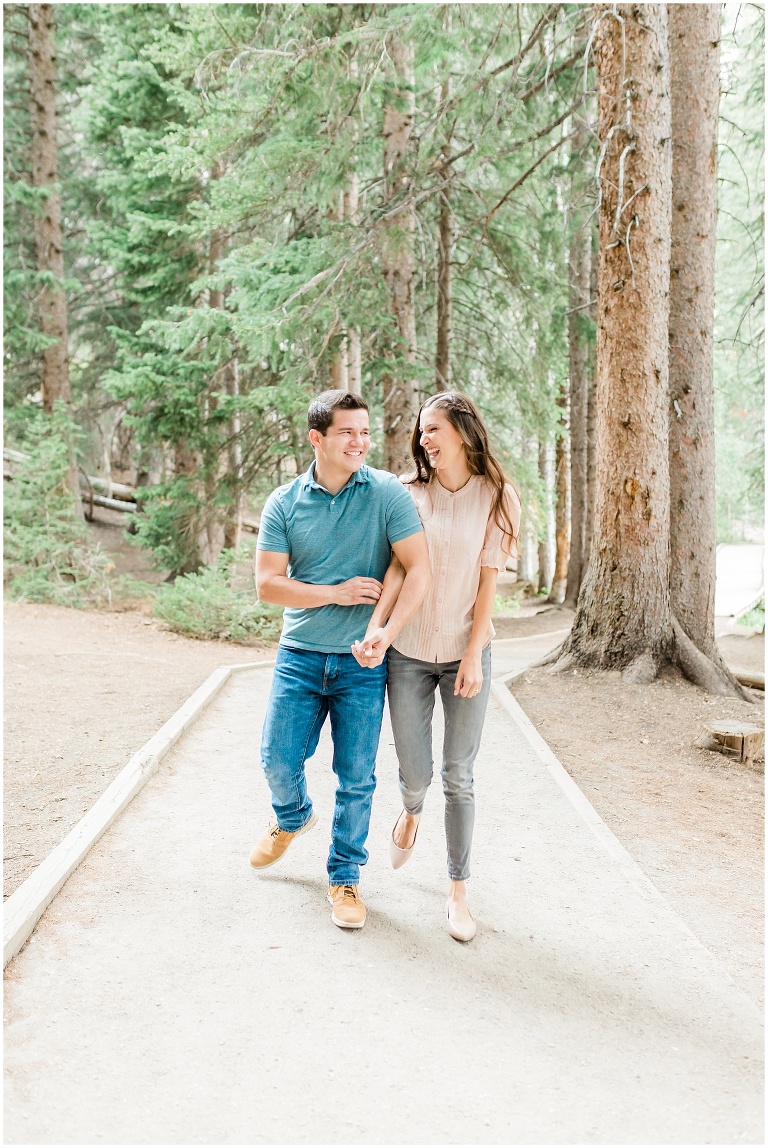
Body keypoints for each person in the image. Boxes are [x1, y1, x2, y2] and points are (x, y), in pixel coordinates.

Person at [251, 389, 431, 931]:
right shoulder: (284, 502)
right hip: (300, 655)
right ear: (317, 438)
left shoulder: (386, 495)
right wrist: (336, 592)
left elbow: (417, 568)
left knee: (356, 777)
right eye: (347, 432)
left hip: (361, 662)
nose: (359, 442)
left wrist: (384, 631)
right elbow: (267, 586)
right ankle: (293, 815)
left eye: (364, 432)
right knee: (277, 760)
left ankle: (345, 877)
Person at [354, 392, 520, 941]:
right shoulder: (407, 492)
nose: (424, 439)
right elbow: (399, 572)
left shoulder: (497, 497)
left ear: (464, 432)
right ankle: (409, 809)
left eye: (433, 430)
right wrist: (378, 630)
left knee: (459, 777)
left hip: (466, 653)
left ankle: (457, 892)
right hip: (408, 656)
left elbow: (488, 584)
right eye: (421, 431)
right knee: (416, 772)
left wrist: (474, 654)